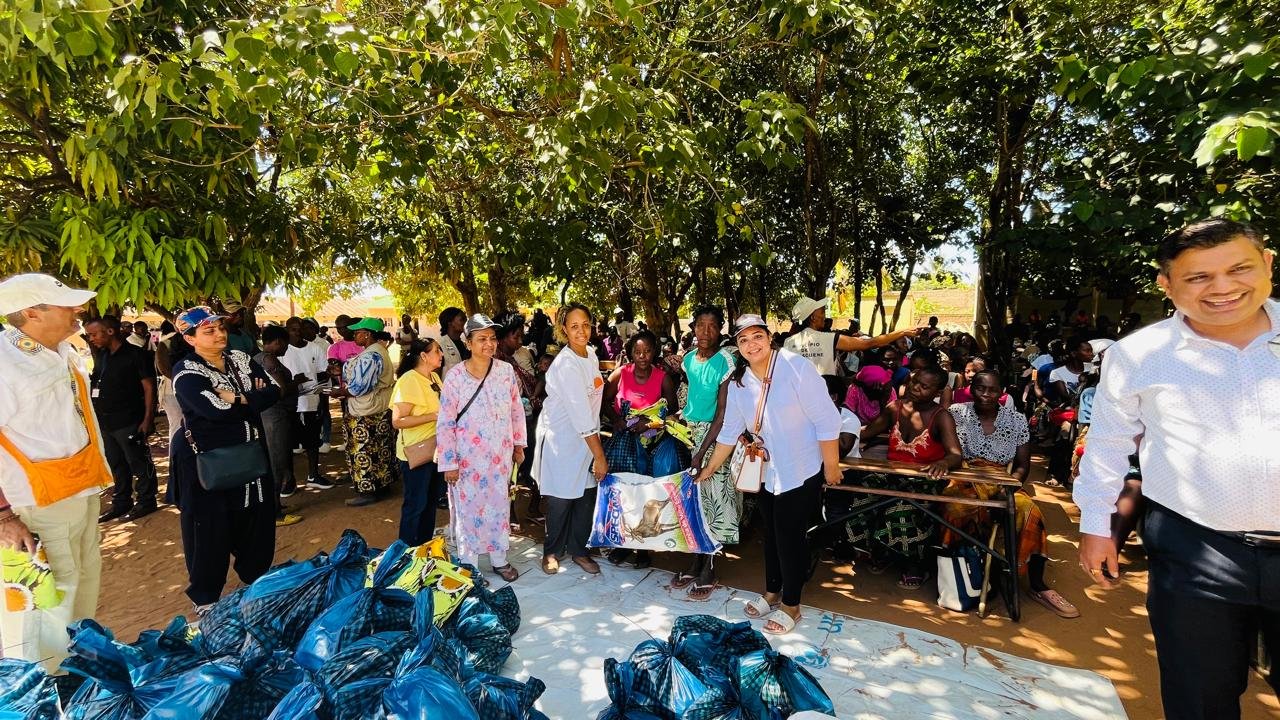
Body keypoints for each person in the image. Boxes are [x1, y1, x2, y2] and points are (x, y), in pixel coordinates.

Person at [1076, 219, 1280, 719]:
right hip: (1196, 547)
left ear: (1268, 265)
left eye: (1238, 269)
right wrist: (1096, 526)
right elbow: (1106, 443)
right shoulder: (1140, 355)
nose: (1223, 287)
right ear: (1166, 285)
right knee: (1198, 697)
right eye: (1199, 277)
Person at [695, 315, 843, 635]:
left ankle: (792, 603)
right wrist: (709, 468)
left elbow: (827, 421)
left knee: (790, 536)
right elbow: (730, 433)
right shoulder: (739, 382)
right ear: (737, 347)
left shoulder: (796, 368)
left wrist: (831, 466)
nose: (752, 344)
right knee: (771, 535)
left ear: (769, 337)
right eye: (744, 340)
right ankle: (772, 591)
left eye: (757, 336)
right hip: (765, 470)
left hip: (801, 469)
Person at [0, 274, 110, 672]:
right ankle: (39, 696)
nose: (77, 310)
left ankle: (74, 683)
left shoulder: (61, 350)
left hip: (80, 494)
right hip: (38, 507)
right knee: (43, 613)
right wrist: (4, 516)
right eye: (65, 303)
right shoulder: (4, 363)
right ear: (31, 312)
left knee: (79, 600)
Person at [169, 306, 281, 614]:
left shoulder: (241, 359)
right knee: (208, 528)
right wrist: (248, 399)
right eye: (209, 331)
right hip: (206, 461)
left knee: (257, 520)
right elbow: (215, 412)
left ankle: (256, 581)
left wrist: (237, 398)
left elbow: (274, 391)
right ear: (189, 338)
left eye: (220, 328)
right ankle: (206, 598)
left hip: (250, 457)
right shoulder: (187, 371)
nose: (220, 334)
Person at [944, 370, 1077, 618]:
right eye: (980, 388)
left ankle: (1038, 585)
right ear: (972, 389)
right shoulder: (956, 413)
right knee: (956, 507)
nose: (986, 394)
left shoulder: (1016, 420)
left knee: (1029, 512)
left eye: (992, 389)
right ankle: (973, 570)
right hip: (966, 476)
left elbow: (1022, 466)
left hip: (1003, 480)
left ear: (1002, 392)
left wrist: (1006, 489)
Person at [437, 315, 527, 582]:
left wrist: (518, 445)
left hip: (499, 458)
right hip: (466, 461)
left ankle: (499, 560)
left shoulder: (505, 371)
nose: (488, 344)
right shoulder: (454, 377)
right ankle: (470, 565)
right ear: (468, 343)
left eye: (492, 338)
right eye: (481, 339)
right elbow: (445, 422)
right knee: (469, 512)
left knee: (499, 507)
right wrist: (449, 462)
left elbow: (515, 409)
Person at [858, 366, 964, 589]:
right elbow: (866, 432)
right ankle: (881, 552)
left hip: (924, 479)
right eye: (914, 382)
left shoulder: (941, 417)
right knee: (862, 498)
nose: (916, 388)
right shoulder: (895, 408)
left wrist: (943, 462)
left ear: (937, 392)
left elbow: (955, 454)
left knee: (902, 508)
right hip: (892, 475)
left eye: (924, 386)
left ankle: (915, 564)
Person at [533, 303, 607, 576]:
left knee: (585, 496)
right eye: (574, 326)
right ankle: (551, 551)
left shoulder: (590, 355)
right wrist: (600, 456)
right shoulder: (565, 364)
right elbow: (579, 414)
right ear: (563, 329)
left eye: (585, 324)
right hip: (563, 439)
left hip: (587, 438)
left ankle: (579, 550)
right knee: (560, 499)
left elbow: (594, 399)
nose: (581, 331)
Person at [601, 329, 681, 573]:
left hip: (652, 442)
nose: (642, 356)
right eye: (637, 351)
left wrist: (651, 423)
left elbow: (672, 412)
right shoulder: (621, 374)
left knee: (647, 492)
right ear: (630, 353)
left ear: (654, 352)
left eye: (647, 351)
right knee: (625, 491)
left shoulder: (662, 377)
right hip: (625, 443)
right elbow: (604, 401)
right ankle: (625, 544)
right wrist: (616, 420)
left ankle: (645, 548)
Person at [680, 306, 739, 599]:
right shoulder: (689, 359)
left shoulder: (725, 361)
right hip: (690, 435)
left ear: (720, 329)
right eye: (699, 325)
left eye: (711, 326)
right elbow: (692, 399)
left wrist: (701, 453)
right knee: (693, 502)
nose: (704, 332)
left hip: (714, 439)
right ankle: (696, 559)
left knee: (713, 502)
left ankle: (710, 566)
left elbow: (722, 414)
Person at [82, 315, 160, 523]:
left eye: (94, 334)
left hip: (129, 419)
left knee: (138, 461)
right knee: (116, 463)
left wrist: (148, 419)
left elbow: (149, 387)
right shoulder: (103, 355)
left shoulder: (135, 355)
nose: (91, 339)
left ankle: (146, 500)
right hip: (107, 422)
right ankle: (122, 501)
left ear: (110, 331)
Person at [331, 317, 397, 506]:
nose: (354, 335)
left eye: (358, 332)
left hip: (366, 410)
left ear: (367, 334)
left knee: (364, 450)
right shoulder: (376, 352)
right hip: (378, 406)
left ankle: (368, 491)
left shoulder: (370, 355)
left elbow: (359, 388)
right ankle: (382, 485)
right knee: (380, 449)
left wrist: (339, 392)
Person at [390, 338, 445, 546]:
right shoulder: (409, 380)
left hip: (434, 450)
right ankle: (406, 550)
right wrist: (433, 416)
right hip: (416, 453)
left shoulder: (433, 378)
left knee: (430, 502)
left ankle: (424, 546)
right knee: (415, 504)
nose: (441, 354)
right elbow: (397, 421)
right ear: (424, 356)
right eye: (437, 351)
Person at [784, 296, 920, 376]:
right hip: (825, 396)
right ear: (813, 317)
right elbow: (869, 343)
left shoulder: (788, 343)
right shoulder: (830, 339)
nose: (824, 315)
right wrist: (902, 332)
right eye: (821, 312)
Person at [254, 325, 303, 526]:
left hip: (269, 415)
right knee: (277, 460)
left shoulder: (257, 358)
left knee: (276, 459)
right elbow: (281, 390)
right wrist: (298, 383)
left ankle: (276, 504)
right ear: (278, 342)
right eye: (285, 344)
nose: (286, 349)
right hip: (275, 415)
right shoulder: (269, 359)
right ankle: (274, 511)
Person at [496, 318, 541, 521]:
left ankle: (516, 512)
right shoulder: (497, 362)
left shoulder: (511, 359)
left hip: (523, 419)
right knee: (511, 469)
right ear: (503, 337)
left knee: (522, 465)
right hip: (506, 425)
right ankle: (509, 514)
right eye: (516, 336)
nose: (520, 341)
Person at [281, 317, 333, 490]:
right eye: (292, 329)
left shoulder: (315, 348)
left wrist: (322, 394)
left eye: (299, 328)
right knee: (287, 443)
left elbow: (322, 373)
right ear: (287, 331)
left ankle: (313, 475)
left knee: (312, 441)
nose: (296, 332)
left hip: (312, 401)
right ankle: (289, 480)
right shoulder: (282, 350)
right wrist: (294, 383)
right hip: (290, 403)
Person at [154, 320, 186, 440]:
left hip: (178, 389)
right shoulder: (167, 342)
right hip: (172, 391)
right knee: (177, 426)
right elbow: (163, 368)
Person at [438, 307, 470, 375]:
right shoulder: (440, 345)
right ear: (450, 322)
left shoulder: (465, 345)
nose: (466, 323)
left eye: (466, 320)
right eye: (462, 320)